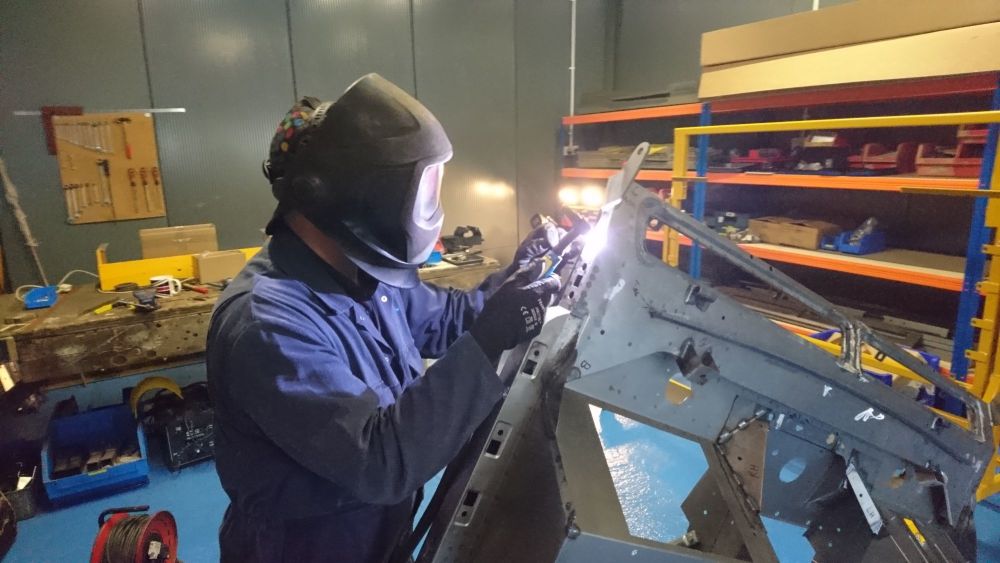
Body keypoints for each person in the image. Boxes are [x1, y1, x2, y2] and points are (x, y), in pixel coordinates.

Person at [206, 73, 561, 563]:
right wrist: (487, 342)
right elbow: (379, 461)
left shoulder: (361, 273)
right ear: (347, 194)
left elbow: (450, 319)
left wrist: (517, 278)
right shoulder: (267, 324)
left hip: (376, 535)